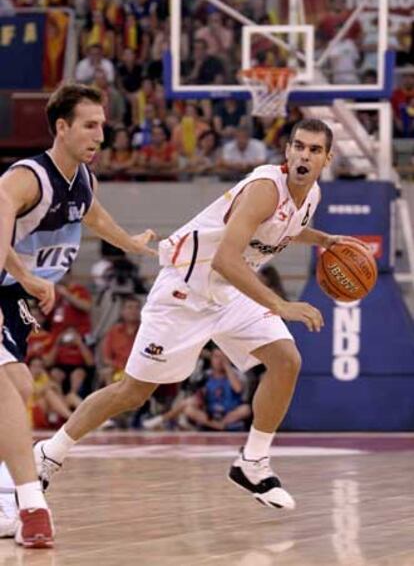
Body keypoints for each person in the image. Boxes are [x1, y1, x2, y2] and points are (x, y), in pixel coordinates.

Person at [0, 119, 364, 528]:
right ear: (287, 151)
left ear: (327, 159)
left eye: (314, 150)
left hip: (229, 293)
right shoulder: (265, 188)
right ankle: (51, 453)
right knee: (132, 392)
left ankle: (253, 462)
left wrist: (325, 241)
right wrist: (280, 303)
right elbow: (227, 257)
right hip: (185, 290)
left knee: (286, 360)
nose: (303, 155)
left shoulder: (310, 196)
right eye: (298, 146)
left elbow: (285, 230)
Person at [0, 82, 156, 548]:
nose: (100, 136)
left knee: (22, 386)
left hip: (12, 297)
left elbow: (92, 214)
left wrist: (128, 242)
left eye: (102, 126)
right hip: (12, 285)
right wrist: (26, 275)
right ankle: (30, 505)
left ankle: (8, 491)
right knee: (7, 384)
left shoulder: (82, 179)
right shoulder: (24, 179)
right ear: (62, 128)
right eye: (90, 126)